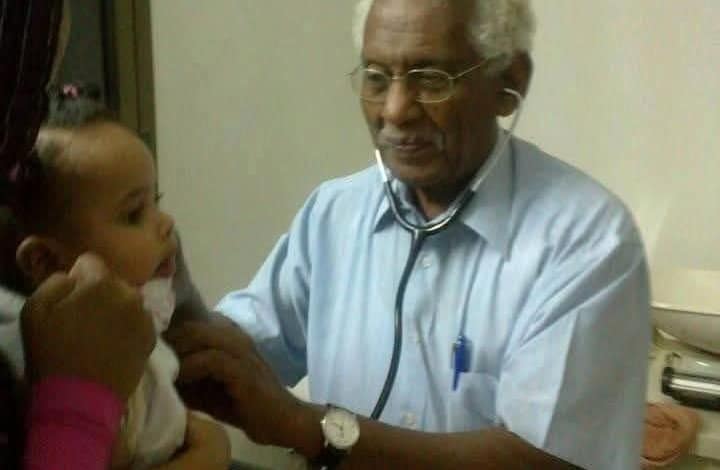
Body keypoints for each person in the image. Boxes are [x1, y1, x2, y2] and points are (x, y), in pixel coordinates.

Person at [168, 0, 651, 469]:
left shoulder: (588, 240)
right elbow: (242, 357)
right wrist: (168, 293)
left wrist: (307, 427)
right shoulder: (334, 214)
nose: (396, 110)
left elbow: (541, 459)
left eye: (431, 79)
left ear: (510, 81)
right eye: (377, 78)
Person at [0, 1, 229, 468]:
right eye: (133, 214)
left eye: (156, 201)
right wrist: (207, 454)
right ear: (46, 262)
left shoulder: (143, 329)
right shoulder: (35, 366)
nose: (165, 224)